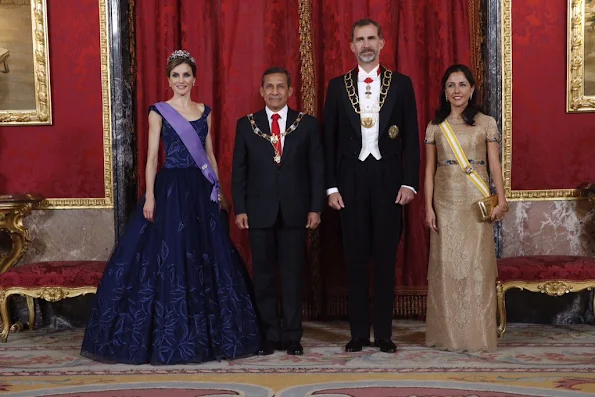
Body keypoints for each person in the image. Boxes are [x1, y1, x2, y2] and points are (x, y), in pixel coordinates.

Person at [80, 50, 260, 365]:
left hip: (200, 190)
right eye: (175, 75)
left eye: (186, 75)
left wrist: (217, 188)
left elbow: (210, 154)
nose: (181, 81)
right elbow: (151, 158)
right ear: (168, 79)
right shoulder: (159, 112)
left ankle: (212, 335)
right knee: (171, 256)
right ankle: (167, 335)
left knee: (206, 255)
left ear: (194, 79)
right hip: (171, 191)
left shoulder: (205, 111)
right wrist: (150, 196)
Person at [323, 19, 420, 353]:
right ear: (351, 46)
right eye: (359, 39)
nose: (365, 44)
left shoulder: (402, 84)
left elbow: (410, 139)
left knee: (384, 256)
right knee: (355, 258)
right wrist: (331, 187)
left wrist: (409, 182)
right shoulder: (337, 87)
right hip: (350, 179)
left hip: (389, 180)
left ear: (382, 42)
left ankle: (385, 334)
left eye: (371, 38)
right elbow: (329, 141)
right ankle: (358, 333)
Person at [231, 67, 324, 356]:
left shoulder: (306, 124)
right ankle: (270, 335)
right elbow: (239, 171)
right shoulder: (247, 125)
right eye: (269, 86)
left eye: (280, 86)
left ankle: (293, 336)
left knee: (293, 276)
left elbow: (317, 170)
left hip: (296, 211)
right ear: (261, 91)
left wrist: (315, 207)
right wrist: (241, 207)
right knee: (265, 277)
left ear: (290, 91)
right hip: (259, 212)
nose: (274, 92)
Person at [423, 64, 508, 352]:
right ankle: (450, 335)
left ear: (472, 90)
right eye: (451, 85)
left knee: (476, 266)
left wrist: (502, 198)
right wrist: (428, 208)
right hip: (445, 200)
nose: (456, 90)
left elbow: (494, 164)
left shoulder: (486, 123)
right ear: (444, 91)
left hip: (476, 198)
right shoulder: (435, 125)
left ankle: (476, 334)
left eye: (462, 85)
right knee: (447, 266)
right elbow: (429, 169)